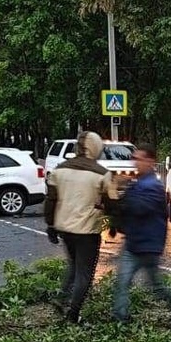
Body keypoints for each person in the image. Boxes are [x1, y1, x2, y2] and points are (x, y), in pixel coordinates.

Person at [111, 143, 171, 328]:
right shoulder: (141, 183)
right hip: (136, 241)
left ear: (150, 161)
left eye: (139, 159)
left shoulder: (153, 186)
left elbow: (140, 208)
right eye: (135, 159)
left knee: (151, 285)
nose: (136, 163)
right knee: (126, 281)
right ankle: (120, 317)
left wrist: (122, 196)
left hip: (147, 244)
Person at [44, 131, 119, 322]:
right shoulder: (102, 174)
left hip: (64, 229)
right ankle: (73, 313)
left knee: (74, 265)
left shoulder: (59, 170)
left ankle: (62, 297)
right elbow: (112, 205)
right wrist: (110, 225)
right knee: (85, 273)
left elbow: (51, 200)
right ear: (96, 148)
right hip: (87, 230)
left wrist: (51, 225)